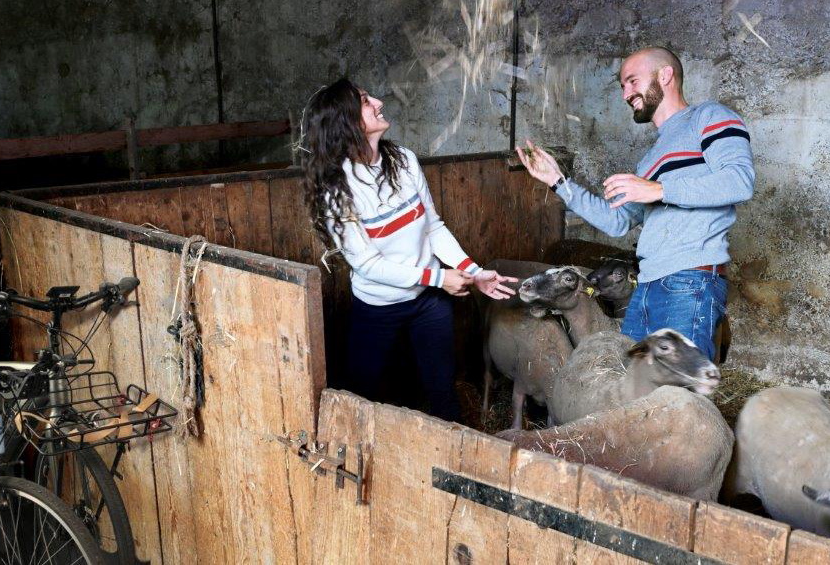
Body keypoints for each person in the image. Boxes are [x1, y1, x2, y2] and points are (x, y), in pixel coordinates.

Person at [516, 46, 754, 360]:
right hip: (645, 286)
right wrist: (559, 182)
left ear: (665, 75)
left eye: (631, 81)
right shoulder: (650, 159)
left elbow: (740, 181)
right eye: (622, 86)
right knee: (633, 388)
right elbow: (618, 222)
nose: (626, 93)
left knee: (676, 394)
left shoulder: (709, 116)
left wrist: (657, 189)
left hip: (690, 281)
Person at [302, 78, 517, 421]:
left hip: (429, 302)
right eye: (363, 100)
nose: (377, 100)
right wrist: (438, 277)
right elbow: (370, 265)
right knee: (363, 393)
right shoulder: (337, 190)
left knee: (442, 387)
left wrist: (474, 273)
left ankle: (454, 460)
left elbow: (433, 227)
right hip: (378, 308)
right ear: (346, 122)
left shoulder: (402, 160)